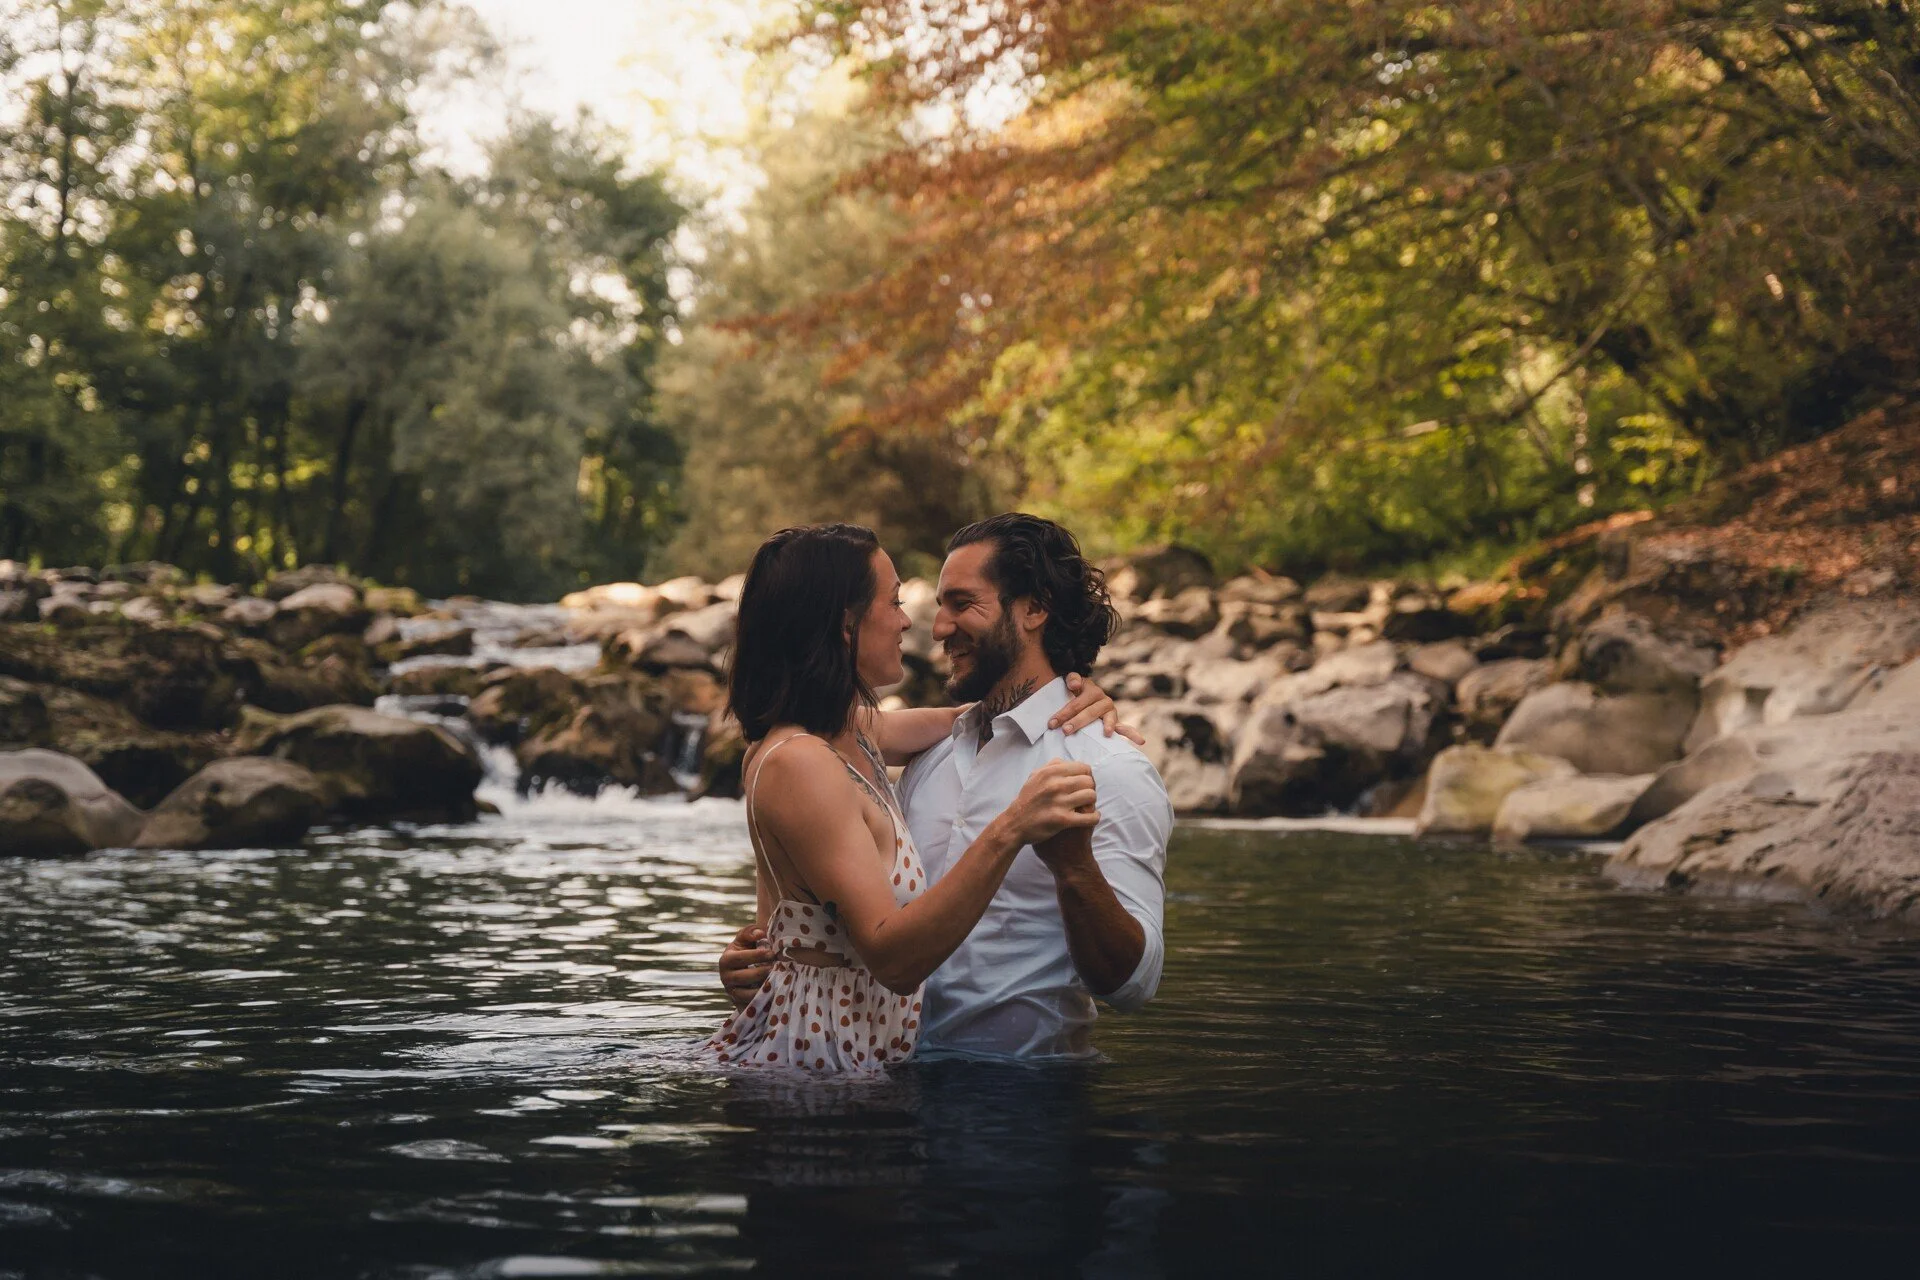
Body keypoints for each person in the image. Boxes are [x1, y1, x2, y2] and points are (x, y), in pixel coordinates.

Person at [720, 513, 1172, 1062]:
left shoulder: (1109, 764)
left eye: (962, 604)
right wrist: (775, 955)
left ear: (1034, 607)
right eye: (903, 603)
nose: (931, 627)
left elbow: (1133, 987)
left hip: (1018, 1095)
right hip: (879, 1082)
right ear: (845, 623)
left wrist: (1075, 868)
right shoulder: (918, 756)